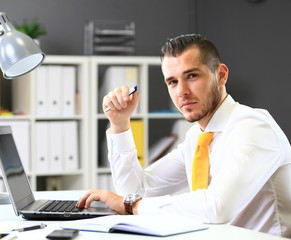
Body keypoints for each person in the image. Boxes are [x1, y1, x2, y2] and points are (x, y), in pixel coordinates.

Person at [76, 34, 291, 237]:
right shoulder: (196, 138)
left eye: (192, 76)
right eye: (173, 82)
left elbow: (217, 207)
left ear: (221, 75)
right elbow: (136, 191)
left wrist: (131, 206)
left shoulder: (252, 126)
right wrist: (119, 123)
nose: (182, 91)